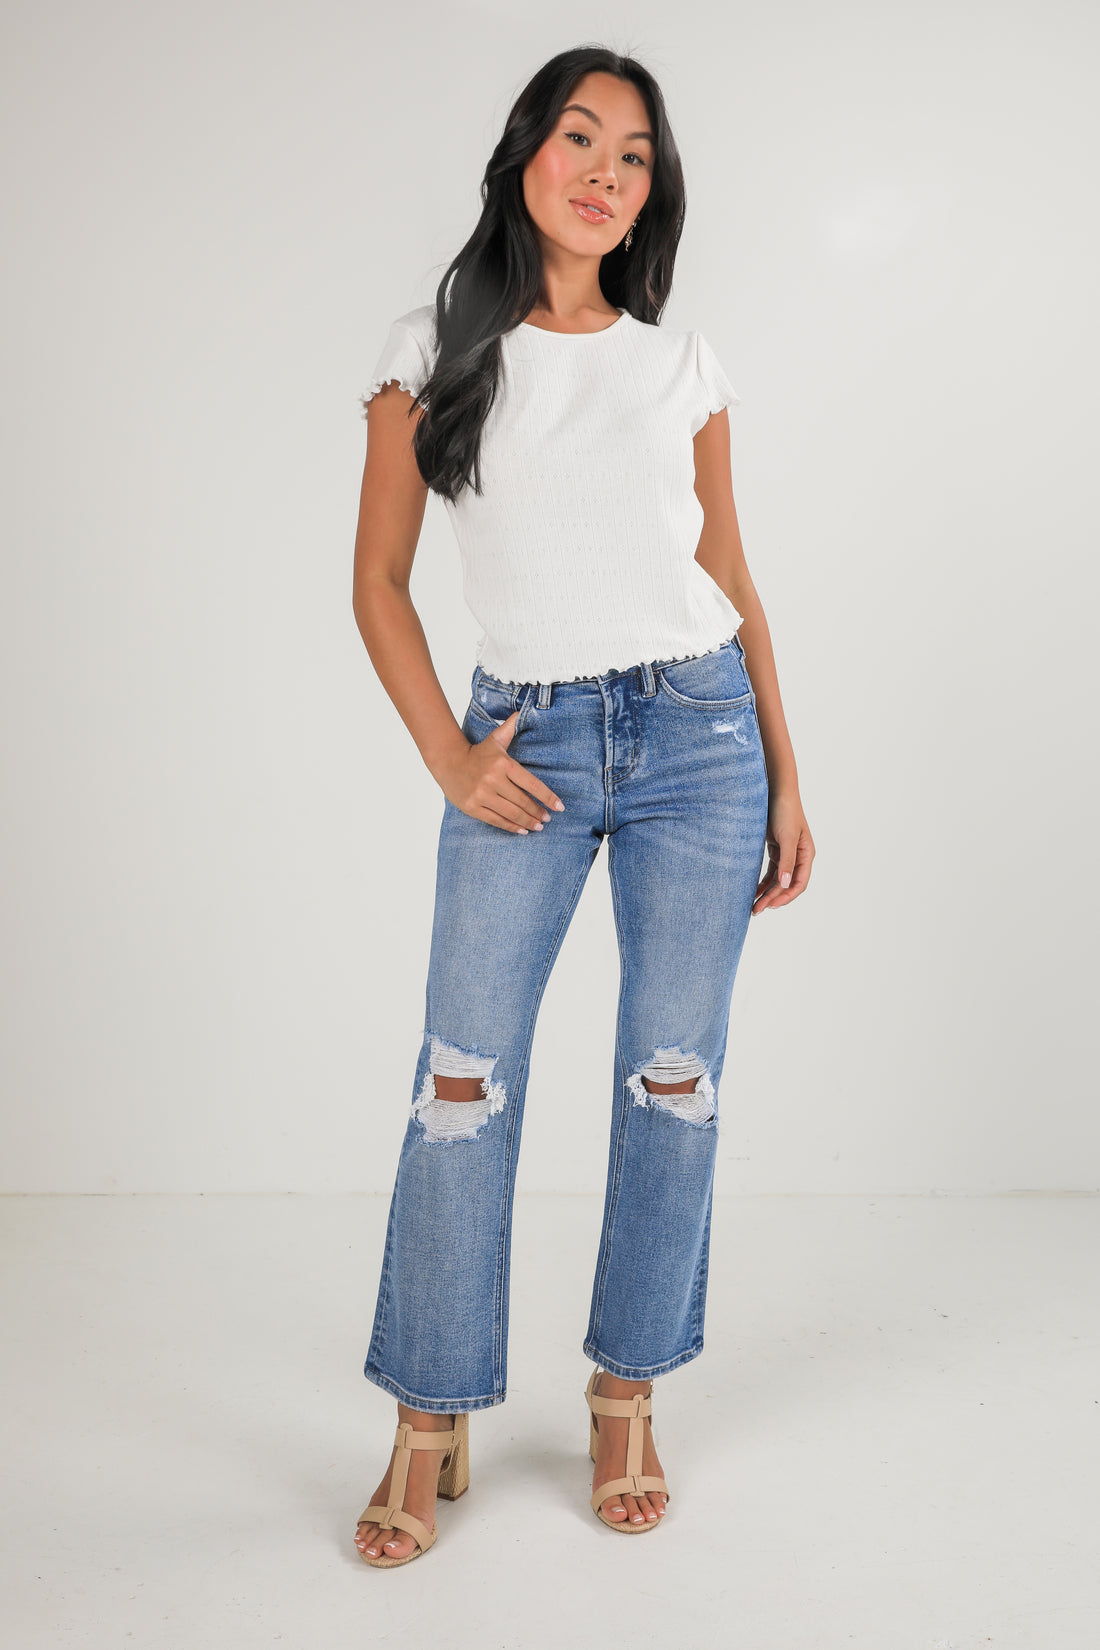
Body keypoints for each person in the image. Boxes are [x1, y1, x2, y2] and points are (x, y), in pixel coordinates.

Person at [350, 45, 815, 1567]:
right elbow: (377, 583)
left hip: (698, 735)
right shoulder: (436, 345)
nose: (607, 170)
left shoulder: (682, 365)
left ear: (650, 191)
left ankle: (626, 1390)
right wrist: (445, 755)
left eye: (634, 153)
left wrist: (788, 770)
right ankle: (432, 1411)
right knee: (460, 1082)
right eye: (579, 137)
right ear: (524, 156)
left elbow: (731, 580)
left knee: (672, 1079)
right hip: (527, 745)